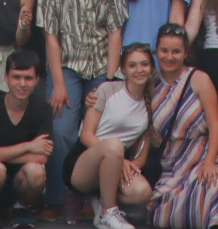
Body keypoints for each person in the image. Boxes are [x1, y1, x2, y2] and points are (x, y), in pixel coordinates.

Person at [37, 0, 126, 222]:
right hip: (68, 67)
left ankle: (98, 196)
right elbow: (51, 36)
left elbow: (115, 30)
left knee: (101, 131)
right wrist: (59, 84)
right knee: (62, 131)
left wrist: (111, 78)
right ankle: (61, 195)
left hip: (102, 66)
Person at [143, 23, 218, 229]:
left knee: (211, 187)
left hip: (203, 152)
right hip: (170, 159)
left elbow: (215, 124)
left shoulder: (199, 79)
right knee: (164, 219)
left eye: (176, 51)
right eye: (164, 51)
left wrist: (210, 161)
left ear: (185, 53)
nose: (169, 57)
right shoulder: (150, 81)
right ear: (156, 51)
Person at [63, 45, 156, 229]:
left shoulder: (151, 99)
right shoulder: (107, 90)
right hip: (85, 160)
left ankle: (99, 202)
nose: (139, 70)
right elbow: (86, 135)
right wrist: (117, 157)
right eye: (132, 65)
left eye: (144, 64)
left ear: (152, 68)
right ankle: (109, 212)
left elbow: (143, 150)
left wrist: (132, 166)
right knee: (114, 145)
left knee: (142, 192)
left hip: (118, 161)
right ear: (123, 70)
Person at [0, 51, 55, 225]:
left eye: (28, 78)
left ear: (37, 80)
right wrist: (28, 146)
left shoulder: (43, 109)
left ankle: (21, 208)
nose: (22, 84)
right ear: (6, 78)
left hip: (21, 181)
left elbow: (42, 156)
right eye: (16, 77)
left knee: (37, 171)